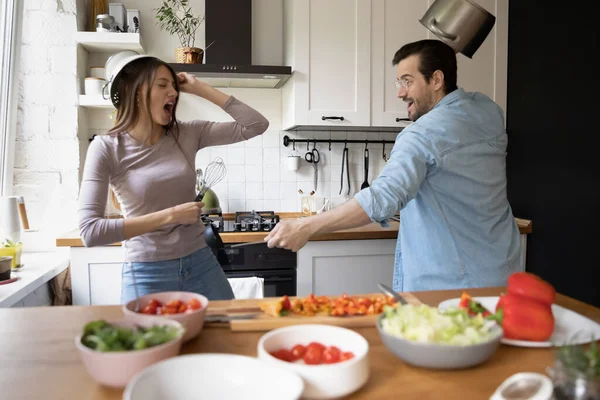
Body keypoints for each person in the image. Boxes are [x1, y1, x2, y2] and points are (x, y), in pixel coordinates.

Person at [265, 39, 522, 292]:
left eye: (408, 81)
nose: (400, 92)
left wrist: (305, 226)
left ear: (437, 80)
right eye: (399, 82)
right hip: (502, 273)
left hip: (450, 287)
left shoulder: (421, 135)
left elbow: (383, 198)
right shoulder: (488, 112)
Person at [78, 55, 269, 303]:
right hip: (146, 271)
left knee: (226, 334)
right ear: (133, 91)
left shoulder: (188, 133)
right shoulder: (106, 148)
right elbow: (90, 231)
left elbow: (256, 125)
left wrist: (200, 88)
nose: (174, 93)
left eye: (174, 86)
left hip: (201, 262)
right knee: (153, 342)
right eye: (162, 85)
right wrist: (171, 216)